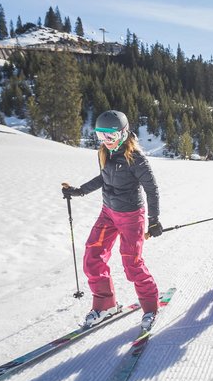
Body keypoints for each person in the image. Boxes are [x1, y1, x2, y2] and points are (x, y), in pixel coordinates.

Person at [62, 110, 163, 330]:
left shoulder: (136, 159)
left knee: (131, 264)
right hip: (108, 213)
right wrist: (79, 191)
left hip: (131, 216)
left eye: (111, 137)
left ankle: (151, 307)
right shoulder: (104, 153)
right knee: (92, 256)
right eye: (101, 136)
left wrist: (154, 220)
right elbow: (103, 178)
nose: (106, 142)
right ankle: (105, 304)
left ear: (124, 133)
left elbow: (152, 190)